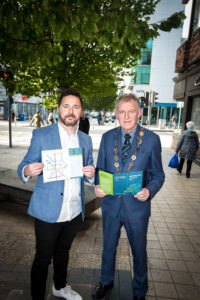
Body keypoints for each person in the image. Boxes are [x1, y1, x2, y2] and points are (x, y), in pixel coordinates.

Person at [17, 88, 95, 300]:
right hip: (48, 211)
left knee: (63, 253)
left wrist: (91, 174)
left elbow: (89, 171)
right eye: (66, 106)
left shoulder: (85, 140)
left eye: (75, 107)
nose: (70, 111)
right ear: (59, 109)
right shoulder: (41, 135)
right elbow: (23, 165)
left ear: (81, 112)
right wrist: (27, 170)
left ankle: (59, 287)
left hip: (74, 210)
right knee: (43, 259)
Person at [92, 93, 165, 300]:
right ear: (116, 114)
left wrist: (149, 191)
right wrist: (98, 185)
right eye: (121, 112)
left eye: (130, 111)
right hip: (111, 206)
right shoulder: (107, 138)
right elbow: (100, 170)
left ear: (139, 113)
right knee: (108, 248)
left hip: (137, 208)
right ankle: (106, 281)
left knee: (139, 251)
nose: (126, 116)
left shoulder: (152, 140)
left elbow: (158, 174)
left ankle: (140, 290)